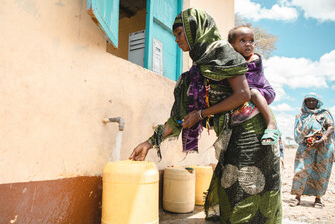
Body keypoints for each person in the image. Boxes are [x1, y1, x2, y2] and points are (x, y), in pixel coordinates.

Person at [129, 8, 282, 223]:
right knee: (229, 185)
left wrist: (201, 114)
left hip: (252, 128)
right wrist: (148, 142)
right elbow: (179, 119)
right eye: (175, 35)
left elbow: (243, 94)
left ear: (194, 31)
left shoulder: (222, 53)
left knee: (245, 186)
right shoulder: (196, 72)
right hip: (232, 132)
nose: (176, 40)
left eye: (180, 33)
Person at [228, 25, 280, 145]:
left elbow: (241, 78)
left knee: (253, 93)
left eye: (251, 41)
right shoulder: (234, 59)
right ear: (231, 45)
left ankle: (271, 124)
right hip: (246, 91)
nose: (248, 44)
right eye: (243, 41)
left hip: (263, 91)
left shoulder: (254, 59)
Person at [289, 93, 334, 208]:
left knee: (321, 172)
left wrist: (323, 139)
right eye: (308, 101)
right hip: (305, 147)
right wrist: (308, 140)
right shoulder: (300, 115)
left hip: (323, 147)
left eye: (313, 101)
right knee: (301, 170)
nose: (310, 103)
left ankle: (318, 199)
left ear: (317, 102)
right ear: (304, 103)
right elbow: (297, 132)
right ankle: (297, 197)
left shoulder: (324, 113)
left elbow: (331, 127)